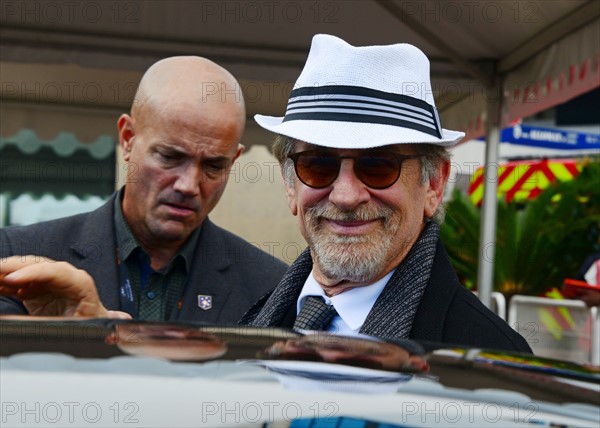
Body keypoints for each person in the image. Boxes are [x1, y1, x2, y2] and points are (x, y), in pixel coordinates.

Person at [240, 34, 532, 353]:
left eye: (378, 165)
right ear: (290, 186)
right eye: (318, 165)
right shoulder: (247, 319)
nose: (346, 196)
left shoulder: (491, 359)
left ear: (434, 185)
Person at [0, 56, 288, 322]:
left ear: (234, 160)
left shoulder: (273, 288)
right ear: (127, 139)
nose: (188, 185)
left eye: (213, 166)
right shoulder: (20, 257)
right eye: (169, 157)